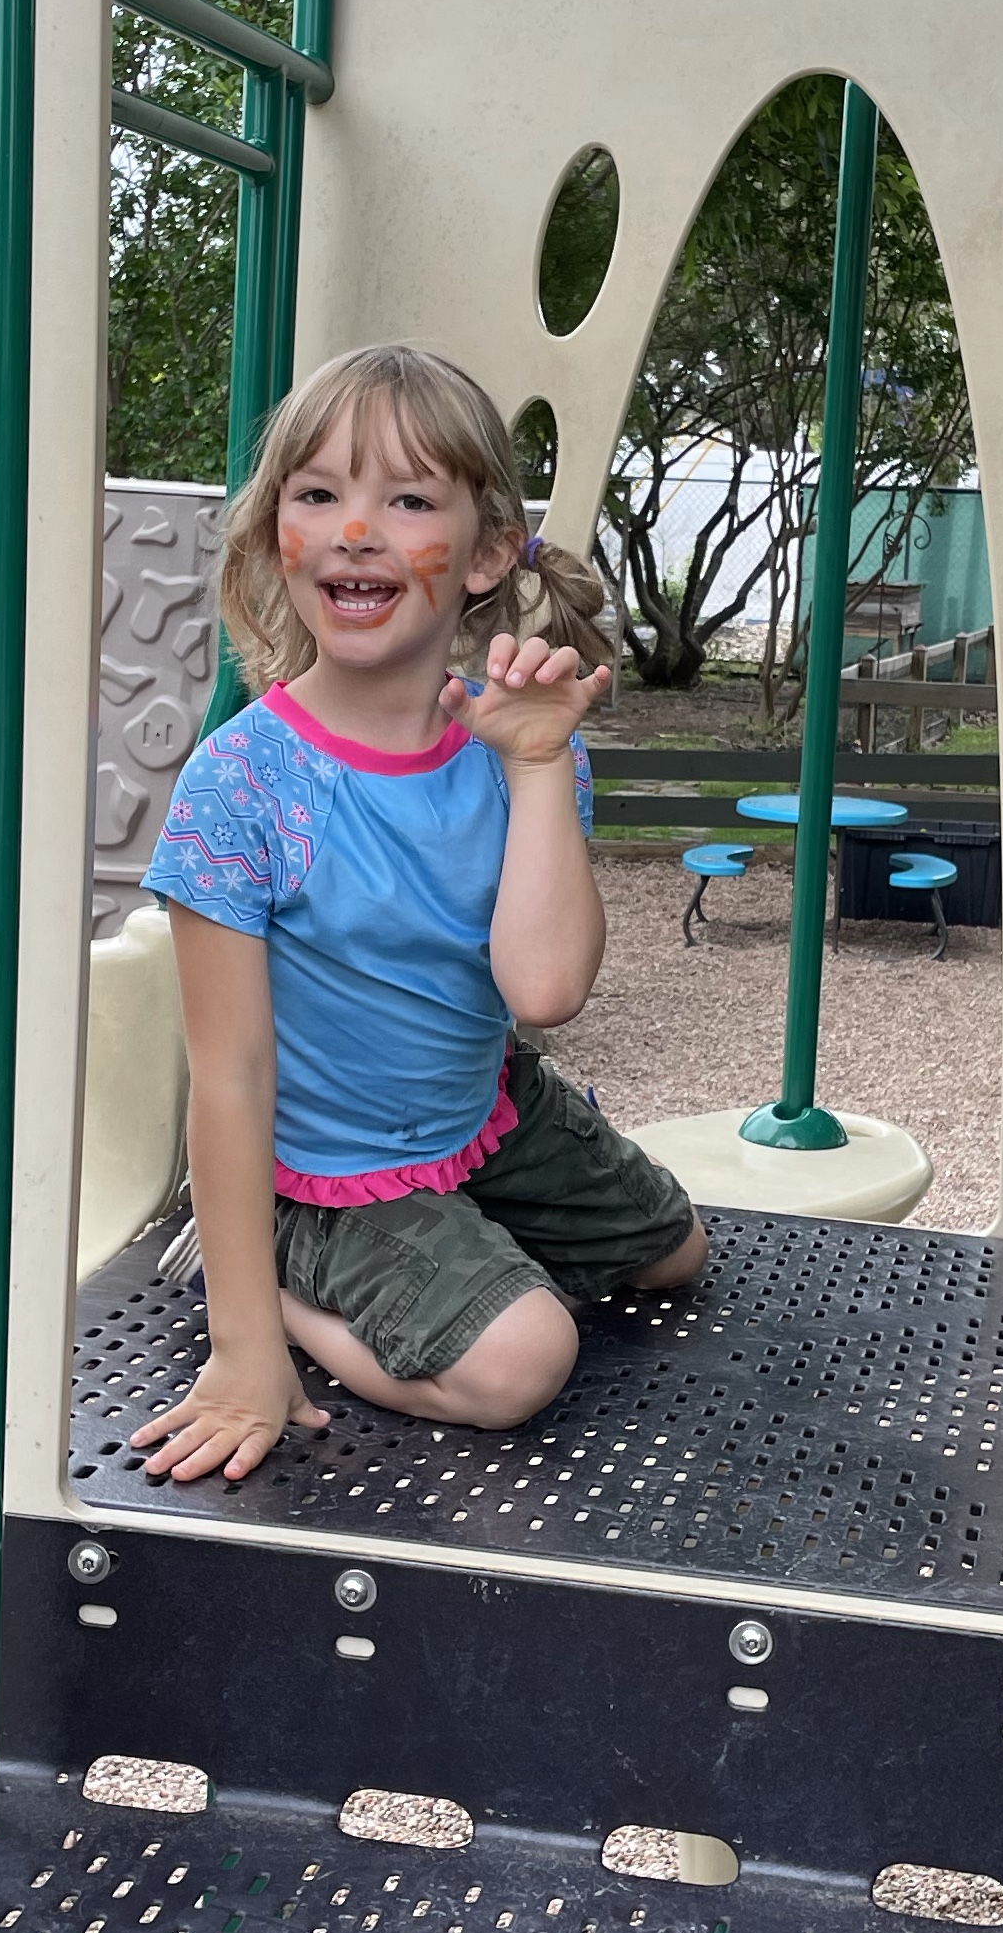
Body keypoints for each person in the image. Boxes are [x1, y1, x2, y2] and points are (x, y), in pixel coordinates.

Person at [132, 343, 709, 1485]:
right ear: (277, 533)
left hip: (477, 1114)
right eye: (317, 494)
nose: (355, 530)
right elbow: (230, 1074)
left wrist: (539, 768)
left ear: (488, 551)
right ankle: (275, 1290)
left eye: (406, 500)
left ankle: (450, 1244)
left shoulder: (521, 744)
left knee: (674, 1253)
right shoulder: (245, 784)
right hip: (322, 1176)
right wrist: (247, 1351)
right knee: (523, 1360)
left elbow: (545, 993)